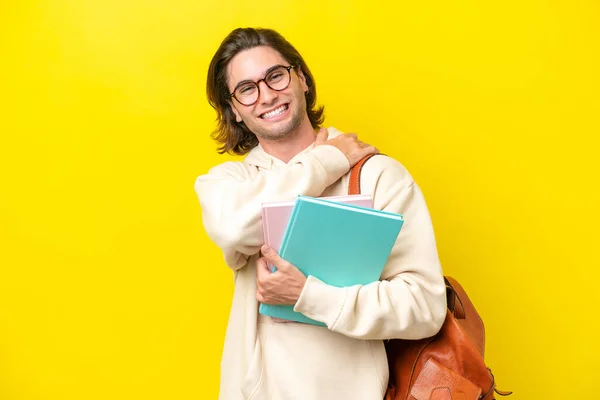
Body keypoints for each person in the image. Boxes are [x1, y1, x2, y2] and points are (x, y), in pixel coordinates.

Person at [194, 27, 447, 400]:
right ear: (235, 109)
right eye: (247, 89)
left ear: (302, 79)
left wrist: (308, 295)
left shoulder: (377, 176)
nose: (266, 95)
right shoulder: (230, 183)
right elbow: (234, 229)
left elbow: (425, 306)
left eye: (275, 75)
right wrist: (329, 160)